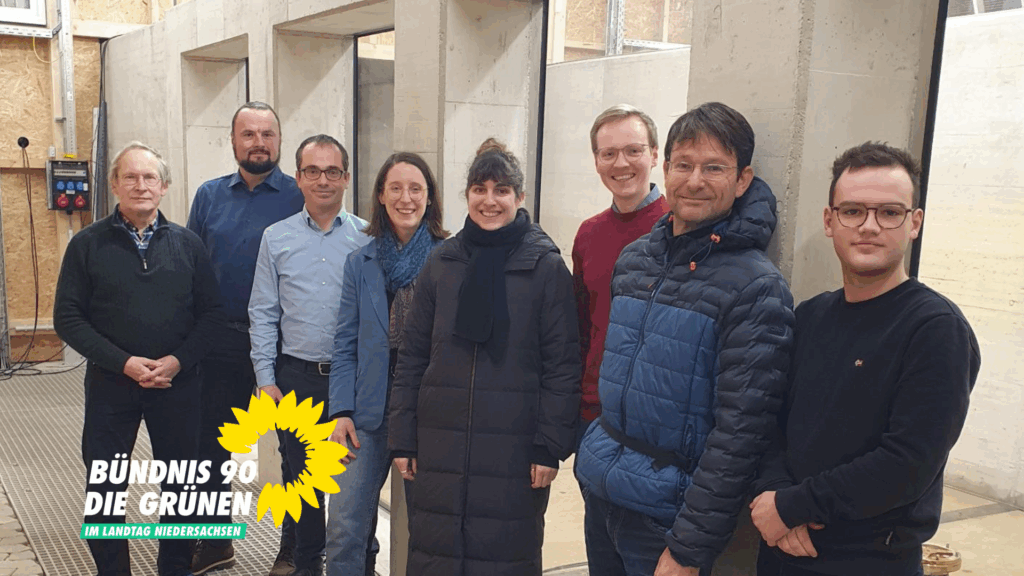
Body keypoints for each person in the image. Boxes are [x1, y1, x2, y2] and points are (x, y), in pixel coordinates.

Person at [574, 101, 795, 576]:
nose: (695, 180)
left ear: (742, 179)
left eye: (714, 168)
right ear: (667, 168)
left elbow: (740, 433)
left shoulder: (757, 287)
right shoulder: (636, 260)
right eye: (684, 165)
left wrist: (690, 546)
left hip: (667, 519)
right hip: (604, 494)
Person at [750, 142, 981, 576]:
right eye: (853, 211)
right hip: (782, 550)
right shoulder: (811, 315)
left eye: (889, 212)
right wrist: (774, 493)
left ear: (914, 223)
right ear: (829, 221)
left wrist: (793, 505)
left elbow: (907, 463)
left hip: (870, 561)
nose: (869, 226)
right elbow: (772, 423)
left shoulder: (935, 329)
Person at [388, 139, 580, 576]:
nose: (489, 200)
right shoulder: (442, 262)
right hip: (439, 445)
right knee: (434, 554)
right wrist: (403, 436)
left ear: (520, 196)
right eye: (479, 189)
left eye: (501, 190)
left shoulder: (545, 267)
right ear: (467, 194)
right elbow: (413, 355)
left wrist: (549, 446)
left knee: (504, 556)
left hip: (515, 451)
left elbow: (563, 366)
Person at [54, 142, 222, 576]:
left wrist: (178, 361)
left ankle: (175, 569)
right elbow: (67, 318)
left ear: (164, 186)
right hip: (112, 385)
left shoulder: (189, 245)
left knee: (182, 490)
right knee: (104, 490)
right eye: (130, 177)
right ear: (114, 184)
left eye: (150, 177)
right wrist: (124, 362)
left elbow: (212, 316)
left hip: (177, 386)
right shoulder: (87, 245)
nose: (140, 185)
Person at [187, 101, 304, 575]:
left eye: (267, 134)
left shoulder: (300, 195)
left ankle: (295, 548)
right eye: (249, 134)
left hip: (285, 346)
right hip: (222, 342)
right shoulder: (209, 197)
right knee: (212, 447)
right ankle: (216, 542)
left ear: (279, 140)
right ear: (233, 141)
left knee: (295, 452)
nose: (258, 143)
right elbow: (192, 269)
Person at [249, 134, 371, 576]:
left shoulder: (367, 238)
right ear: (298, 177)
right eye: (313, 171)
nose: (323, 180)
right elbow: (263, 312)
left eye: (332, 171)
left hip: (353, 381)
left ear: (346, 178)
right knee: (302, 484)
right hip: (295, 378)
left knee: (355, 484)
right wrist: (266, 379)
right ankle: (306, 564)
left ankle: (361, 564)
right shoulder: (275, 238)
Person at [326, 152, 449, 576]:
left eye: (415, 188)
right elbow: (345, 344)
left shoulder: (450, 259)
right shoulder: (359, 263)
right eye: (395, 188)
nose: (405, 198)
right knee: (344, 528)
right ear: (380, 195)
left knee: (429, 532)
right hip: (365, 414)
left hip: (428, 415)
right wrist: (341, 411)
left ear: (429, 197)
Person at [573, 104, 668, 454]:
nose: (621, 163)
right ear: (596, 161)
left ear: (654, 155)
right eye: (609, 153)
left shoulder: (680, 229)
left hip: (656, 414)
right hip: (594, 411)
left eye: (633, 150)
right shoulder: (588, 234)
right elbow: (582, 327)